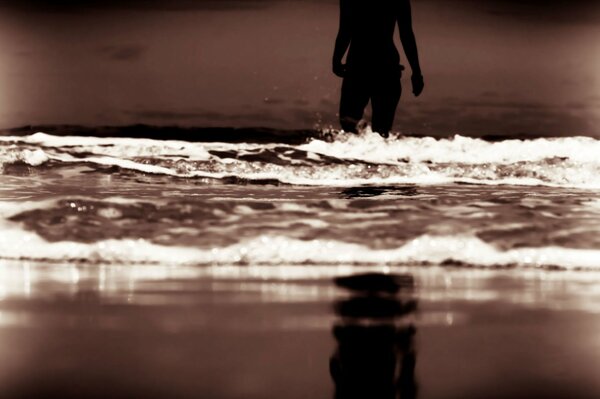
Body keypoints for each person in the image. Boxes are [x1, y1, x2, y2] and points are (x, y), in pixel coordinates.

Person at [332, 0, 424, 138]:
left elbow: (345, 29)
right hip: (387, 66)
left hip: (359, 65)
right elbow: (406, 34)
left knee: (349, 125)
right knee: (381, 132)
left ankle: (353, 158)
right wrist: (416, 72)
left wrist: (336, 59)